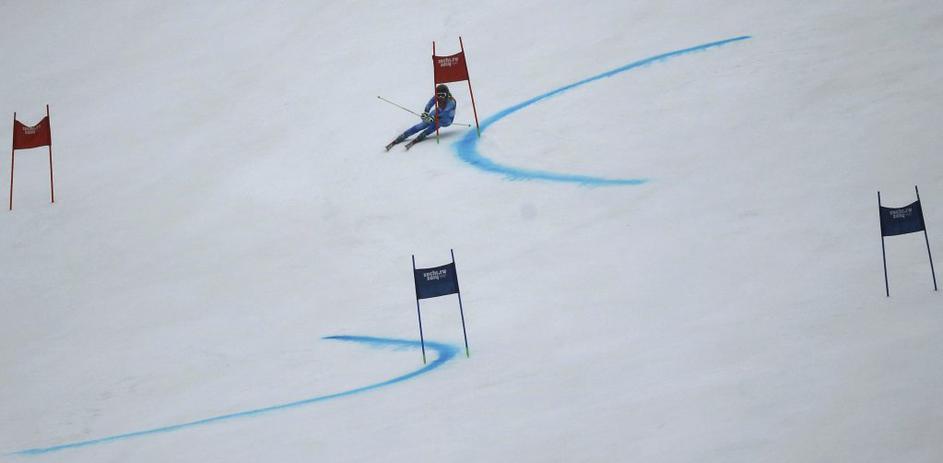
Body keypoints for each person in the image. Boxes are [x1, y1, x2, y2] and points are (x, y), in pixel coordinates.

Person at [386, 84, 457, 151]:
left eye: (443, 95)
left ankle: (425, 133)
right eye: (438, 95)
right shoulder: (436, 97)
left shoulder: (451, 102)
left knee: (436, 123)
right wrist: (426, 112)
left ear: (447, 94)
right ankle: (405, 134)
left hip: (447, 119)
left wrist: (434, 117)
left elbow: (445, 112)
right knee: (423, 124)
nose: (440, 97)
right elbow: (429, 104)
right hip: (439, 111)